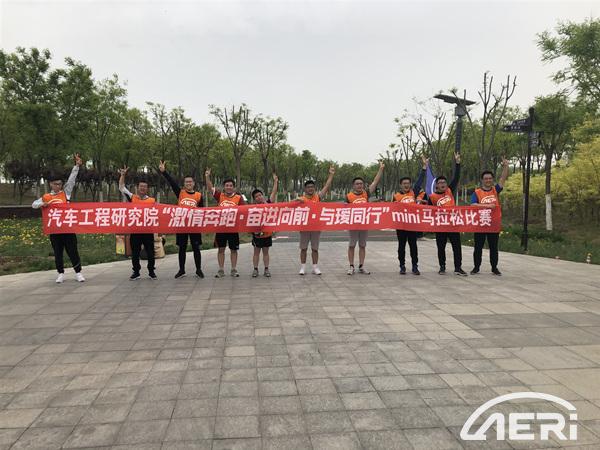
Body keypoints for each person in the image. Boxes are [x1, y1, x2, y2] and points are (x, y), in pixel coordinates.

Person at [32, 153, 85, 283]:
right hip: (55, 230)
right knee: (58, 252)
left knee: (73, 251)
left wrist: (77, 166)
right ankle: (60, 273)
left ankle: (78, 273)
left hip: (68, 228)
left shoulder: (65, 193)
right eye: (56, 184)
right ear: (51, 184)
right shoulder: (47, 197)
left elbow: (71, 180)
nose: (58, 186)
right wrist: (42, 204)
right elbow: (34, 204)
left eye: (60, 184)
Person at [158, 161, 204, 279]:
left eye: (190, 182)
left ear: (194, 183)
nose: (188, 183)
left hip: (194, 226)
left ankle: (198, 270)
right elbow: (172, 182)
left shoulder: (199, 195)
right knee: (182, 248)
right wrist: (164, 172)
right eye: (186, 182)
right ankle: (182, 270)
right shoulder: (180, 193)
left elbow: (203, 211)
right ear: (184, 184)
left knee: (196, 248)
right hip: (182, 225)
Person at [427, 152, 467, 276]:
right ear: (436, 185)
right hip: (441, 226)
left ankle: (458, 267)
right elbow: (428, 211)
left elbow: (456, 178)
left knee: (457, 247)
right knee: (441, 247)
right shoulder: (432, 197)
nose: (443, 184)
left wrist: (458, 163)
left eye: (444, 182)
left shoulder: (450, 190)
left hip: (453, 224)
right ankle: (442, 267)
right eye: (440, 182)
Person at [470, 158, 509, 276]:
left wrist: (505, 166)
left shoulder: (495, 190)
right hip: (480, 224)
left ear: (492, 180)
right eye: (486, 178)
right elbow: (473, 205)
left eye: (490, 178)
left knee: (493, 247)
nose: (488, 180)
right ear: (482, 180)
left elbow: (502, 179)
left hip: (493, 224)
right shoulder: (477, 192)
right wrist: (487, 206)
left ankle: (494, 268)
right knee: (478, 247)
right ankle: (476, 267)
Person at [345, 162, 385, 275]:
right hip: (353, 225)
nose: (359, 185)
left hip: (364, 224)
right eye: (357, 184)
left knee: (362, 245)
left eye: (361, 184)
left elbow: (375, 182)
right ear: (353, 186)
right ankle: (351, 266)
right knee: (352, 245)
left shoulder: (366, 193)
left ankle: (361, 266)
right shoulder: (348, 196)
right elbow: (343, 210)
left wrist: (381, 169)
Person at [118, 166, 157, 280]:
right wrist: (123, 175)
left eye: (145, 187)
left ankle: (151, 271)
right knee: (135, 252)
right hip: (135, 230)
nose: (142, 188)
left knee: (150, 252)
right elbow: (121, 187)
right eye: (141, 186)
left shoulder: (152, 200)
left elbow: (158, 215)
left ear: (147, 188)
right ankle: (136, 272)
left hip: (148, 230)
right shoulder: (132, 197)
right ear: (138, 187)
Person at [205, 168, 245, 278]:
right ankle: (221, 270)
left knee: (234, 250)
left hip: (233, 228)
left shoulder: (238, 198)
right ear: (224, 187)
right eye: (227, 185)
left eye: (231, 185)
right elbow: (210, 188)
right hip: (221, 228)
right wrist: (207, 177)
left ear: (233, 187)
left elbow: (245, 211)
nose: (229, 187)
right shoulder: (220, 196)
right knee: (221, 249)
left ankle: (233, 269)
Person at [296, 165, 335, 276]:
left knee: (315, 249)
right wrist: (296, 201)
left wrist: (331, 175)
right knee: (303, 248)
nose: (310, 189)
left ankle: (315, 267)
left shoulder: (317, 197)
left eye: (312, 187)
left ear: (314, 188)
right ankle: (303, 267)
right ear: (305, 189)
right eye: (308, 187)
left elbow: (326, 186)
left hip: (316, 227)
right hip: (304, 227)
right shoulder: (301, 199)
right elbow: (290, 206)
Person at [393, 155, 428, 275]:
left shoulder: (414, 192)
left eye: (408, 183)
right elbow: (392, 210)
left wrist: (424, 167)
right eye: (404, 183)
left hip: (412, 225)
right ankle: (402, 266)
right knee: (401, 246)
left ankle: (415, 266)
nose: (406, 185)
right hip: (401, 226)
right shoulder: (396, 196)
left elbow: (420, 180)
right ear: (400, 185)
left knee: (413, 246)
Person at [250, 173, 279, 278]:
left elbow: (274, 192)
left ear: (263, 196)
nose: (259, 197)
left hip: (267, 234)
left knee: (266, 252)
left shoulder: (268, 203)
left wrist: (275, 182)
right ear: (254, 199)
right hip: (257, 235)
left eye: (260, 195)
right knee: (256, 252)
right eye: (256, 196)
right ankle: (255, 269)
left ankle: (266, 269)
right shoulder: (252, 208)